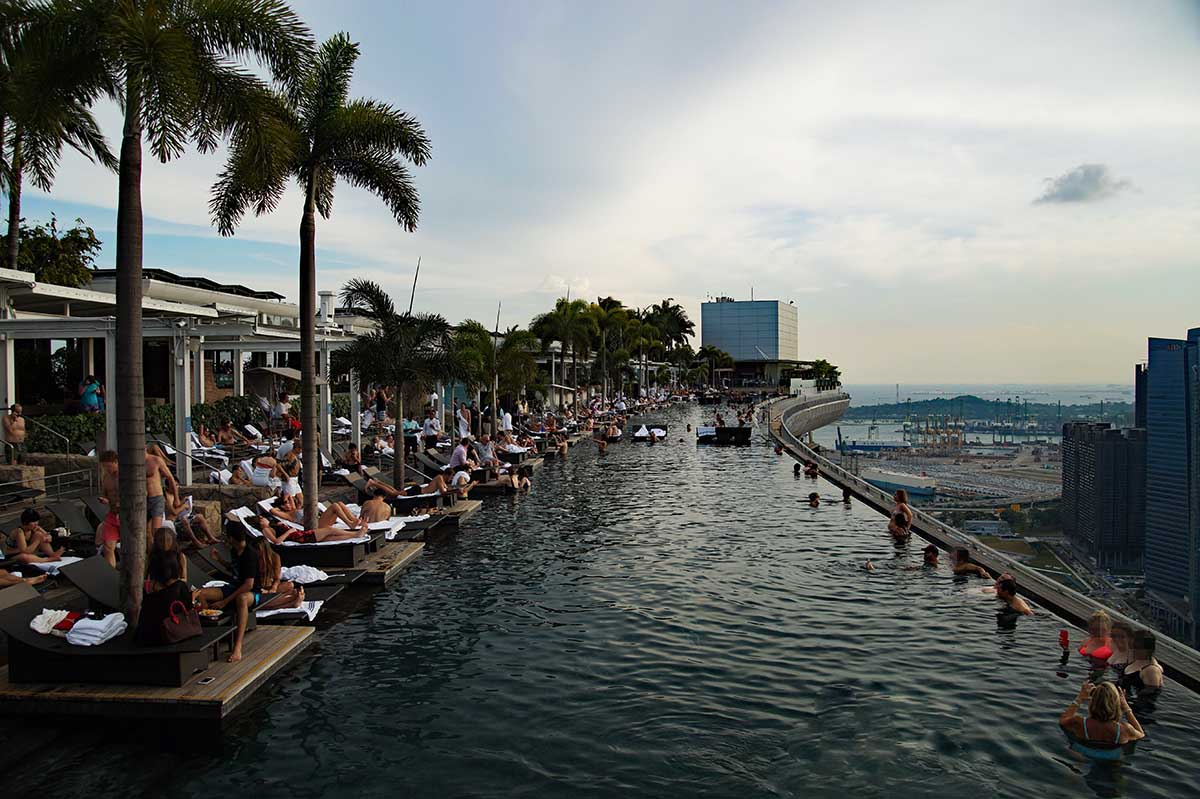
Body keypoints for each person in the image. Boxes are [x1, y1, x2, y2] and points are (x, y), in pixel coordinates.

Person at [196, 524, 260, 663]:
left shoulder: (250, 554)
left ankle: (237, 646)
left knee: (241, 600)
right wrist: (219, 559)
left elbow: (248, 585)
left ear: (231, 538)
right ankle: (212, 630)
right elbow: (233, 570)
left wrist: (225, 602)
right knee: (201, 594)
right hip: (234, 587)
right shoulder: (234, 550)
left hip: (252, 592)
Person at [1059, 680, 1145, 760]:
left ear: (1093, 702)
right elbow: (1141, 734)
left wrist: (1080, 697)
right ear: (1116, 704)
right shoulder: (1124, 729)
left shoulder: (1079, 722)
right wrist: (1126, 708)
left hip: (1082, 753)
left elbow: (1062, 721)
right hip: (1112, 757)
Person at [134, 545, 195, 646]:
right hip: (168, 635)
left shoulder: (148, 587)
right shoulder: (178, 587)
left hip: (146, 636)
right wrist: (192, 598)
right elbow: (186, 610)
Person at [1119, 630, 1164, 698]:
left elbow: (1150, 693)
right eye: (1132, 646)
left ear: (1148, 649)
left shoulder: (1151, 670)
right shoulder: (1135, 660)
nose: (1133, 650)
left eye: (1137, 647)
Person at [145, 444, 178, 532]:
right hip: (144, 499)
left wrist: (176, 498)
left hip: (156, 497)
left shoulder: (156, 460)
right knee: (146, 531)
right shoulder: (135, 464)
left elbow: (170, 478)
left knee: (156, 530)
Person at [96, 450, 120, 567]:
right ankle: (111, 572)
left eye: (109, 466)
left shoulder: (126, 476)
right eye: (105, 466)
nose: (107, 469)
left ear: (116, 462)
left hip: (126, 515)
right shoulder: (106, 477)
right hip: (112, 513)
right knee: (108, 547)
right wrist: (104, 499)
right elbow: (106, 494)